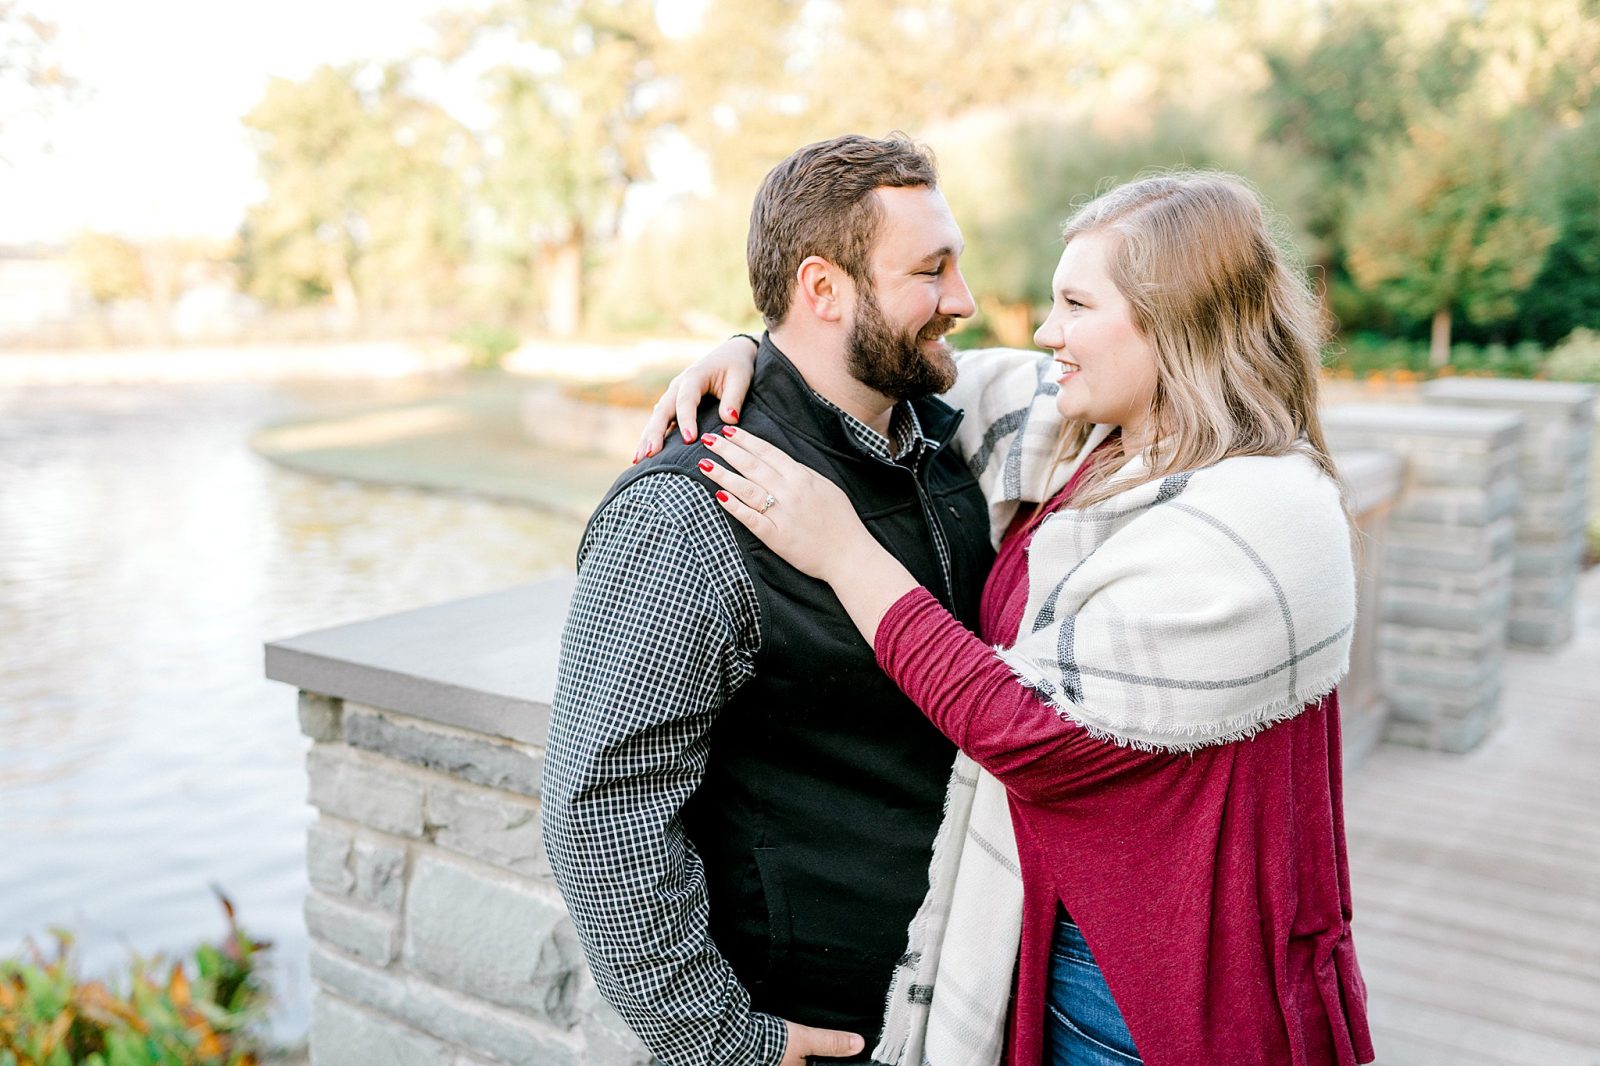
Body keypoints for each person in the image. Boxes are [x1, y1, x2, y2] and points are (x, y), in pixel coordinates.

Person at [642, 172, 1376, 1065]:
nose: (1044, 332)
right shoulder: (1103, 437)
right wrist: (755, 355)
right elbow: (884, 373)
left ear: (1176, 321)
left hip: (1153, 995)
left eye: (1074, 303)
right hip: (1065, 944)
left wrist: (842, 551)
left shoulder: (1262, 518)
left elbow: (1024, 730)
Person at [539, 133, 1001, 1066]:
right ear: (823, 290)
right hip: (817, 1030)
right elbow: (598, 807)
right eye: (932, 270)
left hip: (961, 994)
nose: (965, 301)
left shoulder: (946, 439)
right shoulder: (684, 512)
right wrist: (723, 1042)